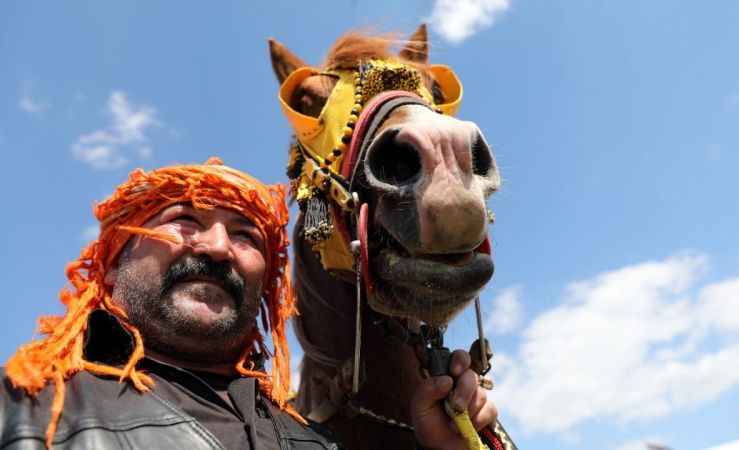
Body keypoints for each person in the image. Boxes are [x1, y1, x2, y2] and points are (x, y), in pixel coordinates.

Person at [0, 158, 497, 450]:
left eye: (245, 236)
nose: (217, 247)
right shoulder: (24, 409)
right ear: (110, 261)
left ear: (270, 287)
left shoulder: (314, 440)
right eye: (184, 221)